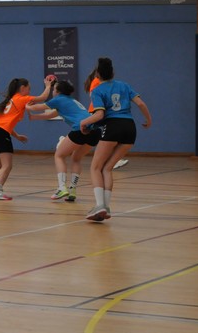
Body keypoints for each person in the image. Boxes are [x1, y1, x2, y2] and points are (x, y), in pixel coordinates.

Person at [79, 57, 152, 221]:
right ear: (113, 72)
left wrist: (84, 122)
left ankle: (100, 205)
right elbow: (141, 104)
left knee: (95, 167)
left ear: (97, 74)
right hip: (130, 128)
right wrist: (149, 120)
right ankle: (106, 207)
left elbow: (99, 114)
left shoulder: (97, 90)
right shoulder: (124, 85)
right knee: (107, 168)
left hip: (113, 126)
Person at [27, 80, 99, 202]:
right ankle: (72, 190)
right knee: (76, 158)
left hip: (80, 129)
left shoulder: (59, 99)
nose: (53, 91)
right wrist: (34, 117)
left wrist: (26, 105)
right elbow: (51, 115)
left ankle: (62, 188)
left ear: (58, 91)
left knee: (59, 155)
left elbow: (38, 107)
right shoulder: (71, 100)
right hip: (94, 131)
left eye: (54, 89)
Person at [86, 69, 129, 170]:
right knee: (96, 135)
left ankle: (114, 160)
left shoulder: (102, 82)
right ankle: (64, 141)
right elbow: (93, 95)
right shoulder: (97, 81)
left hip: (101, 111)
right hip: (96, 111)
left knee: (105, 136)